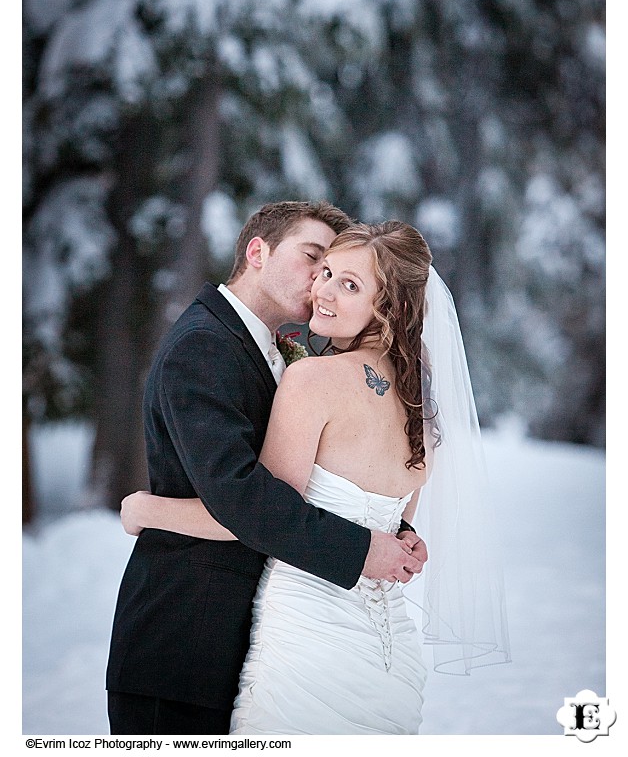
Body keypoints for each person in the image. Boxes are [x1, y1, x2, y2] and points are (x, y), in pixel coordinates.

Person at [121, 220, 510, 734]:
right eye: (324, 270)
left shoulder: (312, 379)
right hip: (390, 653)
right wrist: (404, 540)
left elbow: (258, 512)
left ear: (388, 305)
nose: (321, 290)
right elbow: (393, 522)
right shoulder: (423, 403)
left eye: (349, 284)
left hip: (309, 636)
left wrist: (145, 510)